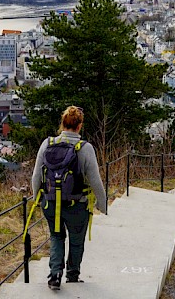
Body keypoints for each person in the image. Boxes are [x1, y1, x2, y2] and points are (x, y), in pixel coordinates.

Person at [31, 106, 107, 290]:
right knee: (76, 240)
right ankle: (72, 276)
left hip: (51, 202)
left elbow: (36, 176)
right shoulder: (85, 148)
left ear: (62, 123)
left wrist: (37, 199)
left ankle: (55, 274)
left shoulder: (47, 143)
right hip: (77, 205)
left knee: (56, 237)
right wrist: (102, 204)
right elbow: (95, 181)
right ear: (79, 126)